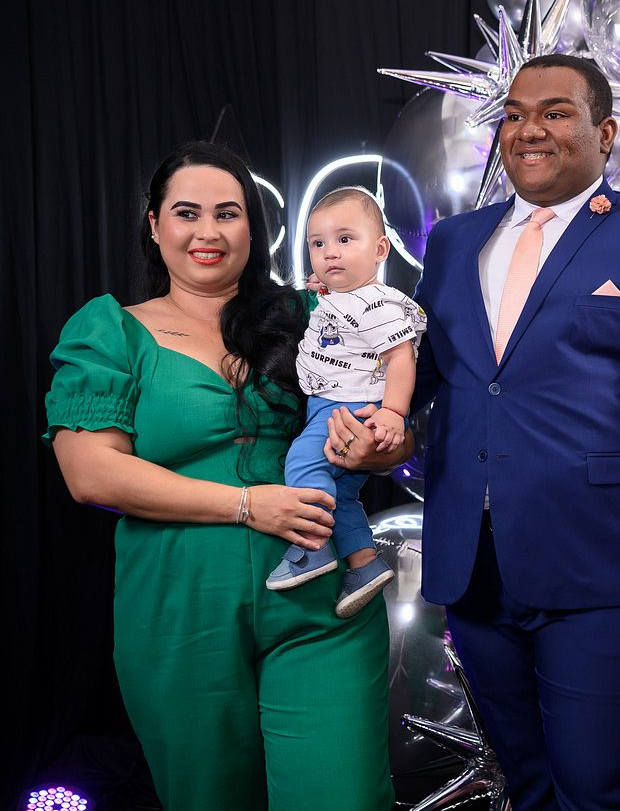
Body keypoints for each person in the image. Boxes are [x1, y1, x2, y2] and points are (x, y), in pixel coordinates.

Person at [410, 54, 620, 810]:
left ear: (606, 133)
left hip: (605, 567)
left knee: (600, 790)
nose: (530, 130)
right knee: (526, 785)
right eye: (516, 115)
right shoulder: (455, 241)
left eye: (556, 113)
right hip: (474, 565)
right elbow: (425, 375)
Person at [44, 141, 395, 810]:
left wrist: (375, 444)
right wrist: (245, 505)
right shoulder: (110, 331)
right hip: (180, 609)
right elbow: (90, 474)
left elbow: (389, 415)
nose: (208, 231)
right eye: (187, 213)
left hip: (322, 595)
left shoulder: (314, 314)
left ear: (251, 229)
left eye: (228, 213)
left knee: (343, 796)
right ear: (155, 225)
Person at [265, 185, 425, 618]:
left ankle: (311, 547)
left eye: (345, 239)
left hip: (347, 407)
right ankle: (364, 563)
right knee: (342, 495)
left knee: (303, 463)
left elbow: (401, 358)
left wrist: (393, 412)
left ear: (380, 250)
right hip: (331, 401)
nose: (330, 252)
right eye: (317, 244)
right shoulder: (343, 298)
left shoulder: (377, 305)